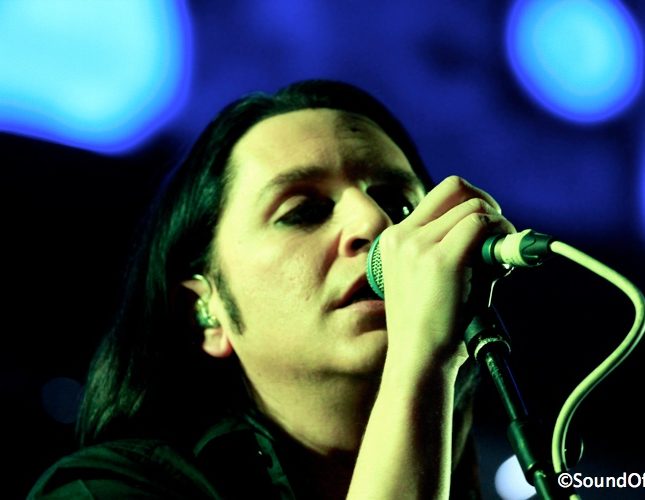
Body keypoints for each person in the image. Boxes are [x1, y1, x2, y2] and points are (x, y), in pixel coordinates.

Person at [28, 79, 515, 499]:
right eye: (303, 211)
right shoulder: (106, 490)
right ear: (206, 309)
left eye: (399, 204)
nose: (375, 223)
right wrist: (422, 359)